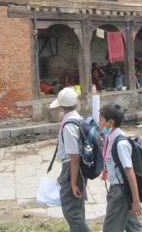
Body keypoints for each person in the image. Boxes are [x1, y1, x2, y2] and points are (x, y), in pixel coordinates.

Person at [49, 88, 91, 232]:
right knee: (77, 210)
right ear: (76, 104)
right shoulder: (79, 120)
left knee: (72, 213)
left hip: (72, 169)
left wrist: (73, 183)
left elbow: (74, 157)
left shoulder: (69, 126)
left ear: (61, 107)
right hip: (75, 168)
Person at [99, 104, 142, 232]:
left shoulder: (120, 143)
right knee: (133, 226)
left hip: (122, 191)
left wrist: (136, 201)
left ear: (110, 122)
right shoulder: (110, 138)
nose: (99, 123)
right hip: (118, 188)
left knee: (110, 228)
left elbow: (130, 173)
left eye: (101, 120)